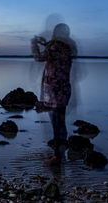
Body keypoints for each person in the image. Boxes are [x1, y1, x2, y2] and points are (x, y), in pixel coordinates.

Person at [31, 23, 77, 164]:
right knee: (60, 123)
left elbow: (39, 57)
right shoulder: (68, 47)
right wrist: (46, 43)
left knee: (56, 124)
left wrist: (34, 43)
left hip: (53, 92)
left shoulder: (55, 47)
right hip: (63, 91)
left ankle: (58, 156)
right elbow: (54, 52)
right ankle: (60, 154)